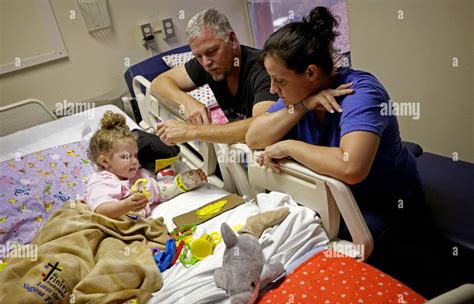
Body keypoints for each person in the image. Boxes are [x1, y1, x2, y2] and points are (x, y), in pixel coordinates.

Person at [245, 7, 424, 243]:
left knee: (323, 245)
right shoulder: (299, 97)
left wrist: (288, 147)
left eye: (279, 81)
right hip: (338, 202)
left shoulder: (360, 93)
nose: (272, 89)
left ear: (311, 73)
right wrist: (304, 106)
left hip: (387, 202)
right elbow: (253, 138)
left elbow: (351, 168)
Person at [152, 8, 279, 146]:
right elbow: (158, 84)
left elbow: (262, 126)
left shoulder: (263, 70)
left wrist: (192, 131)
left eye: (212, 51)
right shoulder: (208, 64)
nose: (206, 63)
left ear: (232, 40)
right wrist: (186, 102)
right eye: (198, 56)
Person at [84, 111, 207, 219]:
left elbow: (157, 191)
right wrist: (125, 205)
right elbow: (101, 210)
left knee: (164, 185)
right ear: (105, 162)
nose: (134, 161)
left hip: (155, 192)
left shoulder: (135, 173)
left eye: (135, 155)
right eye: (126, 156)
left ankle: (177, 180)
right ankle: (167, 177)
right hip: (123, 218)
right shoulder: (102, 181)